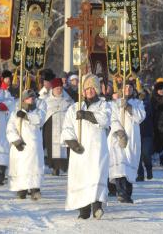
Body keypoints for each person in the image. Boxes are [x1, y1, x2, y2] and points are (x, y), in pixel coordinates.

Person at [61, 74, 111, 219]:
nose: (89, 91)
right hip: (80, 149)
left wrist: (87, 115)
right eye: (86, 88)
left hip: (96, 148)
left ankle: (97, 206)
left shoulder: (103, 105)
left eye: (92, 88)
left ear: (96, 89)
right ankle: (83, 209)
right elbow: (67, 127)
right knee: (81, 177)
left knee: (96, 175)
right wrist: (73, 143)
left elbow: (104, 120)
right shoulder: (74, 107)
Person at [108, 82, 146, 203]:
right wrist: (119, 132)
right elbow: (112, 118)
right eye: (125, 87)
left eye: (130, 87)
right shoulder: (114, 104)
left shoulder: (138, 103)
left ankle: (127, 193)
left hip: (132, 138)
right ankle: (121, 192)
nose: (128, 89)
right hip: (117, 137)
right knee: (119, 164)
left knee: (129, 164)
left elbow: (140, 117)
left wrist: (129, 107)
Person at [7, 89, 47, 200]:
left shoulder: (38, 111)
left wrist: (26, 116)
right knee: (21, 167)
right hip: (20, 145)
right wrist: (16, 140)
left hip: (33, 145)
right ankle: (21, 189)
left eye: (33, 97)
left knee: (34, 166)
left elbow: (40, 120)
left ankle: (35, 189)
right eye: (29, 97)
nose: (32, 99)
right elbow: (10, 128)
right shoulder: (15, 113)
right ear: (24, 99)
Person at [43, 78, 73, 176]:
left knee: (65, 146)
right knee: (53, 147)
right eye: (57, 89)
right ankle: (54, 167)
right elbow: (44, 114)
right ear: (52, 89)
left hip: (64, 127)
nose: (59, 90)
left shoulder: (68, 100)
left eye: (60, 88)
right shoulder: (46, 101)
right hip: (51, 128)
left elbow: (72, 112)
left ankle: (64, 167)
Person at [137, 88, 154, 182]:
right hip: (136, 132)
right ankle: (140, 174)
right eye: (139, 93)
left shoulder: (148, 103)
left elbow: (149, 115)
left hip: (147, 132)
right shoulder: (134, 103)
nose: (141, 95)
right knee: (138, 155)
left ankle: (149, 169)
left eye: (142, 93)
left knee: (146, 153)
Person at [151, 79, 163, 166]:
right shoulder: (153, 99)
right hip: (156, 123)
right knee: (159, 141)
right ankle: (161, 160)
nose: (162, 91)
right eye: (160, 89)